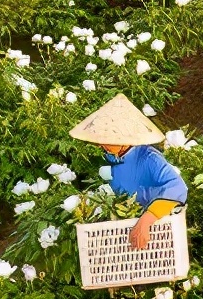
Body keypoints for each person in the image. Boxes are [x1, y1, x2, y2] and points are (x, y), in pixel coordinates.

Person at [70, 94, 187, 250]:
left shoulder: (149, 158)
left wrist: (146, 220)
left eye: (107, 140)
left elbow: (178, 188)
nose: (101, 144)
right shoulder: (114, 157)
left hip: (156, 234)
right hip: (127, 235)